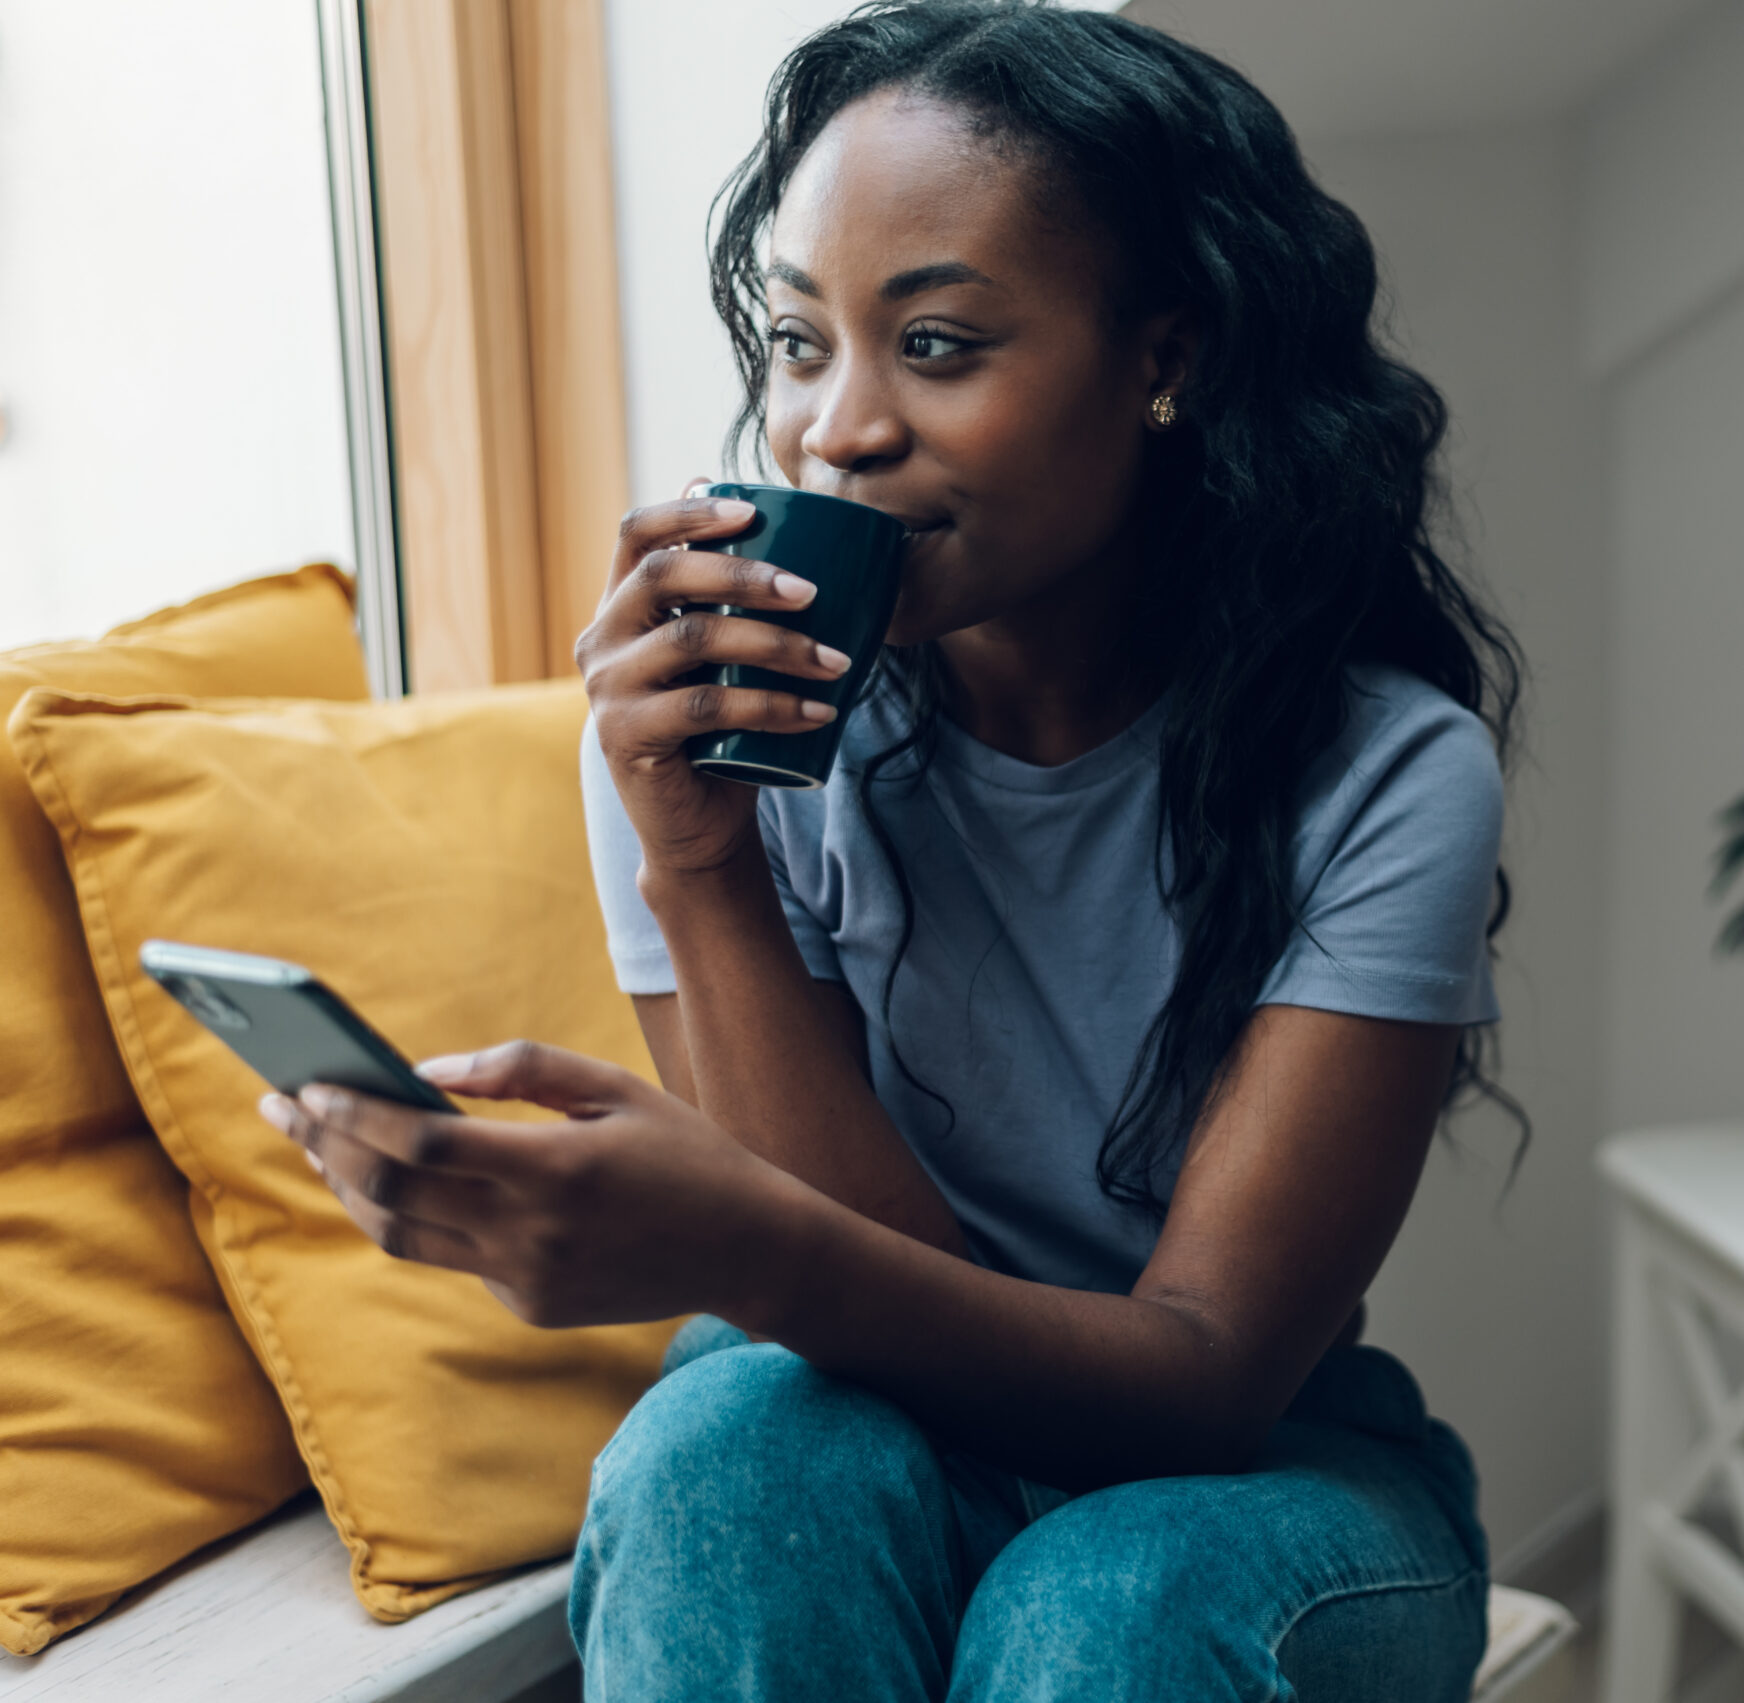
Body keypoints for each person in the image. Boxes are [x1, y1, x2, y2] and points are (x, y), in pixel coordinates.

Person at [259, 2, 1524, 1696]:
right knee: (730, 1465)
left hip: (1269, 1477)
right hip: (870, 1421)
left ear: (1166, 361)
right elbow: (857, 1300)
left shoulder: (1384, 774)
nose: (834, 430)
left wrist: (729, 1238)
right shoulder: (700, 742)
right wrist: (699, 862)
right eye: (798, 344)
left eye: (934, 345)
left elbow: (1207, 1376)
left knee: (1117, 1595)